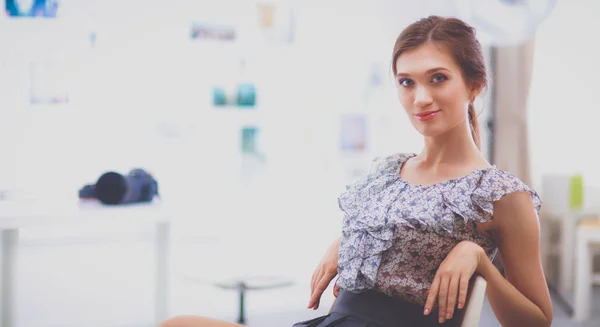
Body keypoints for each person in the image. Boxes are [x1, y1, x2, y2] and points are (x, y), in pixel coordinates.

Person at [160, 15, 553, 327]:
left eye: (438, 78)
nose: (420, 97)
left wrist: (479, 260)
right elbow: (393, 234)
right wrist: (346, 242)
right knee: (177, 324)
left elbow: (537, 321)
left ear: (474, 85)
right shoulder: (387, 171)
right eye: (406, 82)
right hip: (339, 320)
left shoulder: (502, 194)